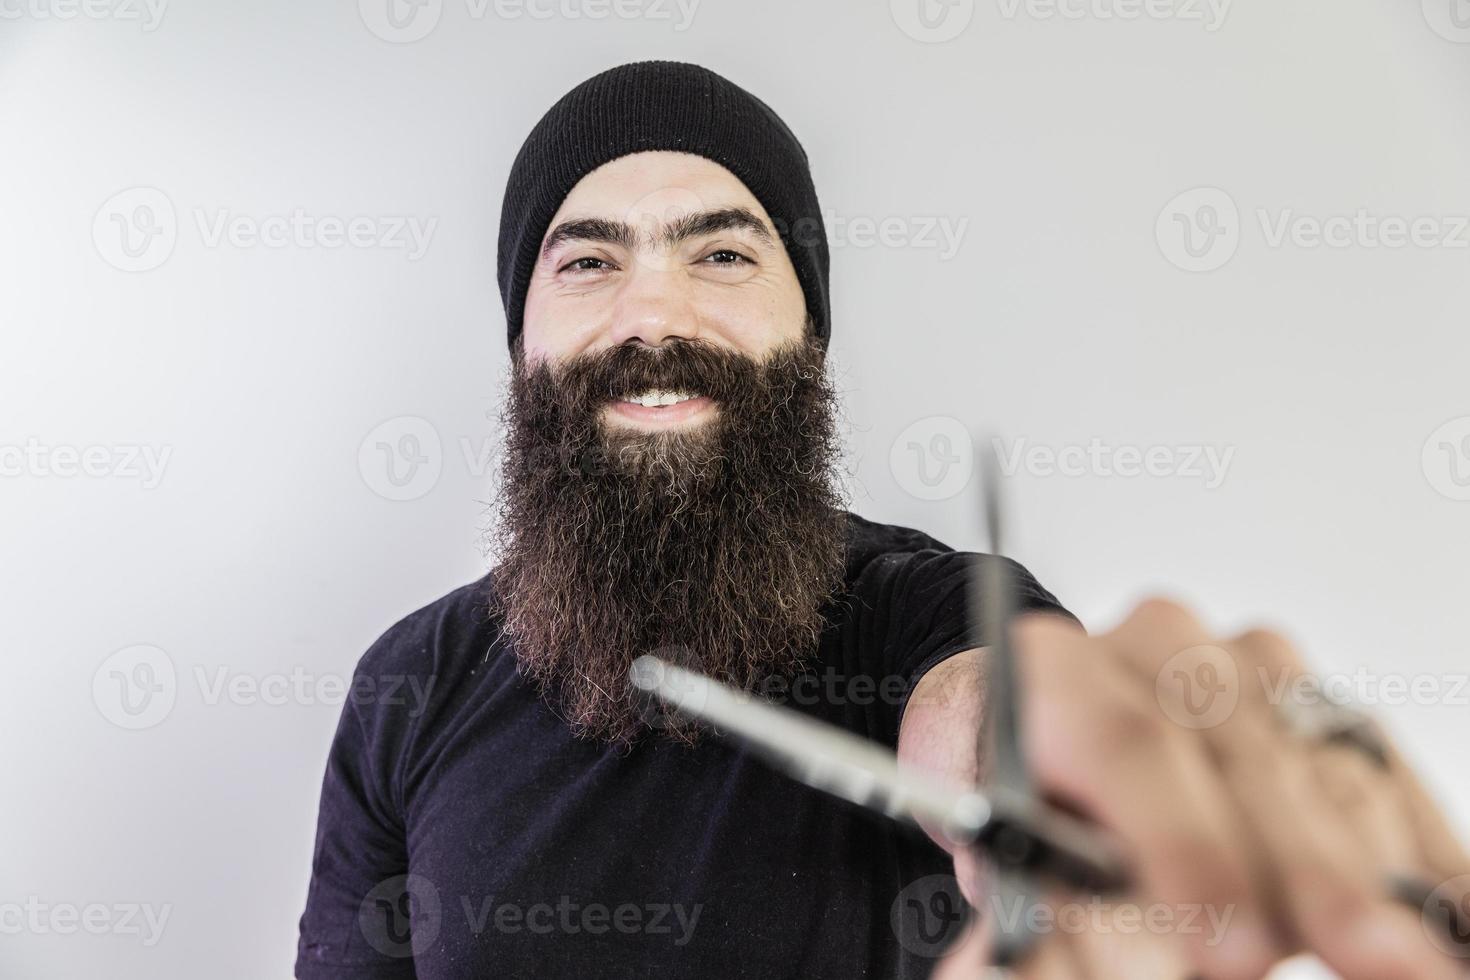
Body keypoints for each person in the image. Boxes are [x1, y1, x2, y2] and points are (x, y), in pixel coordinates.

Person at [296, 60, 1469, 979]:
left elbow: (992, 700)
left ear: (809, 337)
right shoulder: (411, 685)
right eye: (588, 261)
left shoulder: (917, 609)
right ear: (521, 345)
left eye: (722, 251)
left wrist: (1093, 760)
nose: (655, 312)